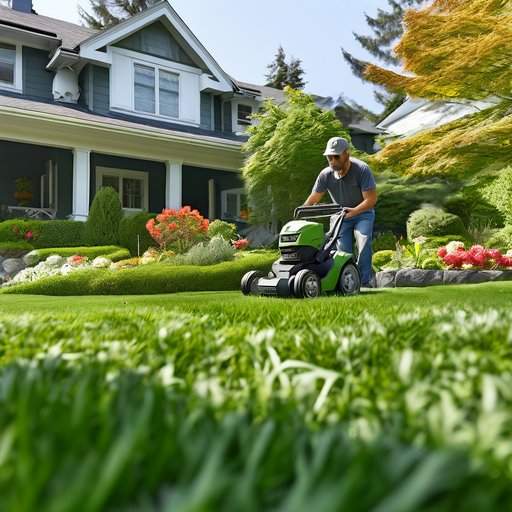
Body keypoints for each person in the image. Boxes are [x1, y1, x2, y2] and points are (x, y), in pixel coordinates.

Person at [304, 136, 378, 287]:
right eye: (329, 157)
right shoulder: (326, 175)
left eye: (336, 156)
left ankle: (364, 282)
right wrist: (301, 216)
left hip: (363, 213)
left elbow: (371, 200)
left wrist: (355, 211)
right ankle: (347, 283)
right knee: (343, 251)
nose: (332, 161)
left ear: (346, 154)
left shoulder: (361, 169)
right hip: (341, 216)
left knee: (363, 241)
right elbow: (313, 199)